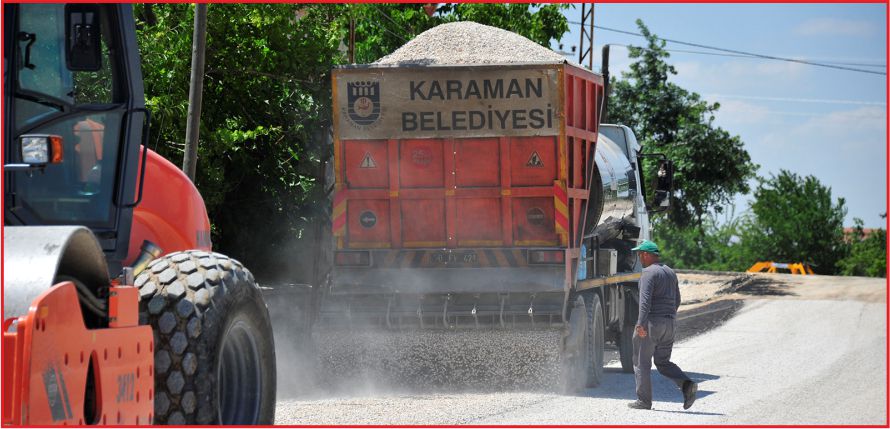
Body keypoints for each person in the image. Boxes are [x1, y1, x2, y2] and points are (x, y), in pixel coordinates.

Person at [627, 239, 698, 411]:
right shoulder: (670, 272)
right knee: (663, 362)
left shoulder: (648, 273)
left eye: (639, 254)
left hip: (652, 323)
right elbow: (678, 299)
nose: (639, 258)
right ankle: (687, 384)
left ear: (646, 254)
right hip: (670, 323)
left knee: (640, 362)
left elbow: (645, 302)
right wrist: (668, 318)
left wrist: (641, 324)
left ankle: (644, 401)